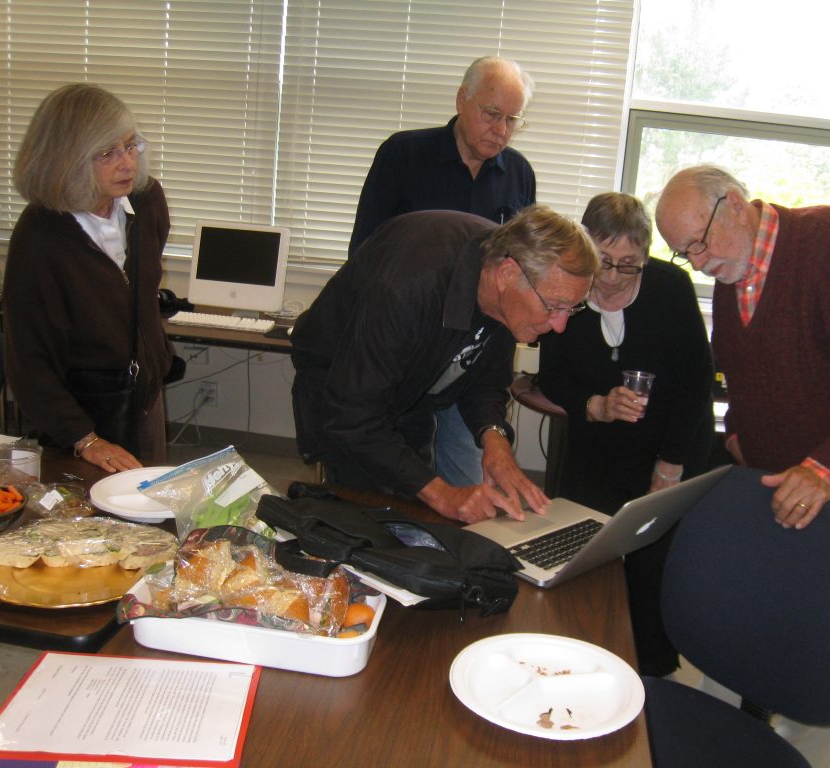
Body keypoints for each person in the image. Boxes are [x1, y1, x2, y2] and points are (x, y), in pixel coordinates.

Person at [654, 164, 830, 768]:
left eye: (699, 244)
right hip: (779, 486)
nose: (698, 263)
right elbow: (742, 371)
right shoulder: (735, 272)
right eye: (684, 254)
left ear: (733, 204)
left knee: (827, 662)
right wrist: (740, 432)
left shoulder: (826, 242)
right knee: (745, 624)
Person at [291, 205, 597, 523]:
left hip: (413, 387)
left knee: (411, 511)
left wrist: (495, 439)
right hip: (341, 387)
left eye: (572, 309)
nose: (560, 326)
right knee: (360, 516)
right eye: (554, 306)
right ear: (507, 275)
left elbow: (486, 379)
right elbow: (352, 418)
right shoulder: (405, 289)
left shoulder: (507, 288)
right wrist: (442, 494)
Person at [537, 192, 714, 677]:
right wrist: (594, 405)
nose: (612, 277)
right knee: (581, 558)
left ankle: (653, 672)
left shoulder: (670, 287)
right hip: (595, 452)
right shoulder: (567, 286)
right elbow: (552, 377)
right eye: (603, 262)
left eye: (628, 265)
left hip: (668, 447)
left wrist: (671, 464)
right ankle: (576, 660)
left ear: (646, 256)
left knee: (650, 566)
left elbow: (698, 382)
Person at [348, 55, 537, 488]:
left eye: (512, 119)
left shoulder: (519, 175)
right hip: (405, 348)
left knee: (464, 481)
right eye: (492, 115)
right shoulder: (404, 155)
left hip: (471, 353)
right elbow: (365, 251)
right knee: (398, 479)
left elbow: (517, 272)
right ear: (461, 100)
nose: (501, 129)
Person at [4, 83, 175, 474]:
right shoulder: (40, 237)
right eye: (107, 154)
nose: (127, 164)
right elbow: (29, 363)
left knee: (151, 512)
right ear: (65, 159)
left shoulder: (146, 202)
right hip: (81, 411)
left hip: (144, 393)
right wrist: (86, 439)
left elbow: (141, 291)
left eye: (131, 146)